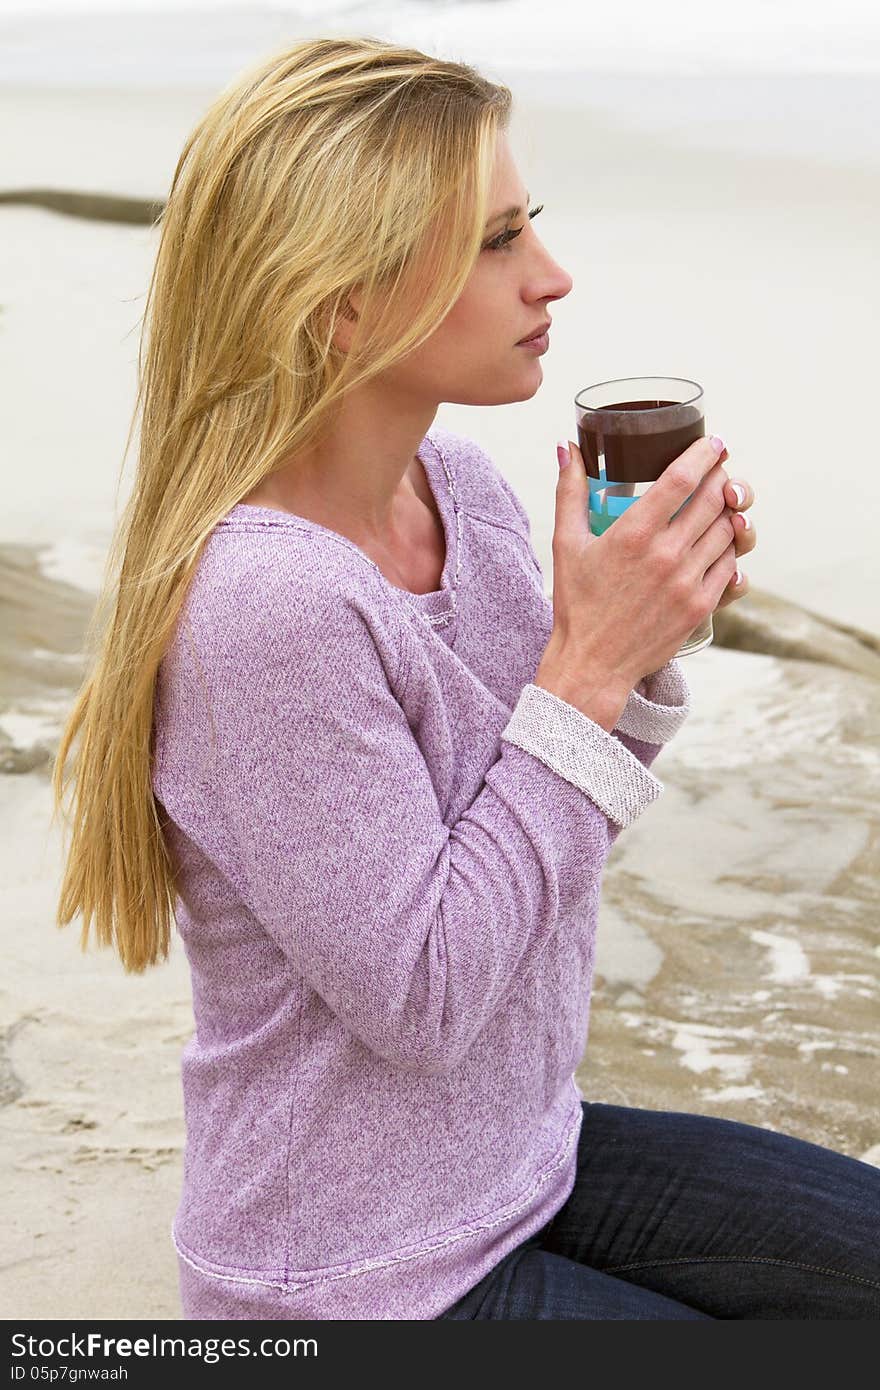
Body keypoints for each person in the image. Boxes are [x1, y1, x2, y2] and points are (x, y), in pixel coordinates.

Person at [50, 36, 880, 1321]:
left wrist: (641, 642)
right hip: (355, 1278)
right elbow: (429, 995)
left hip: (520, 1163)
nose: (551, 276)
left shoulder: (471, 497)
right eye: (495, 242)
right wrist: (588, 664)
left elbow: (531, 830)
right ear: (340, 301)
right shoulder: (267, 609)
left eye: (528, 223)